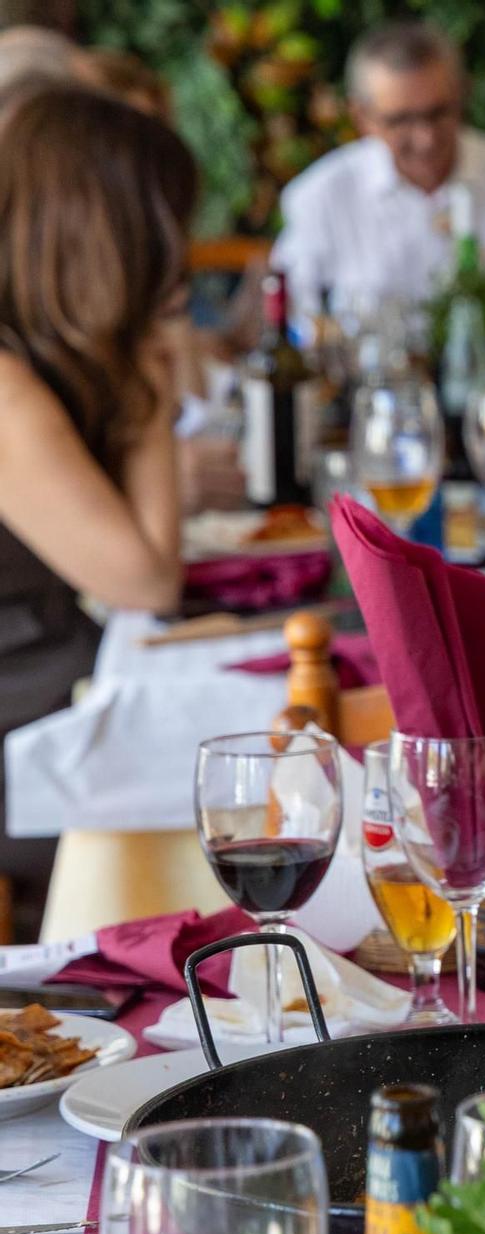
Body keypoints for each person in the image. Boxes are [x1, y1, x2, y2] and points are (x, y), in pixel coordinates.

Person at [0, 86, 194, 909]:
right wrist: (151, 378)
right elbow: (146, 579)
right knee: (238, 791)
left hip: (50, 683)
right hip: (20, 739)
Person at [270, 20, 485, 316]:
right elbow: (294, 318)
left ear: (463, 94)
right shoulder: (321, 198)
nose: (425, 139)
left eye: (439, 113)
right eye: (401, 120)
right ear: (361, 116)